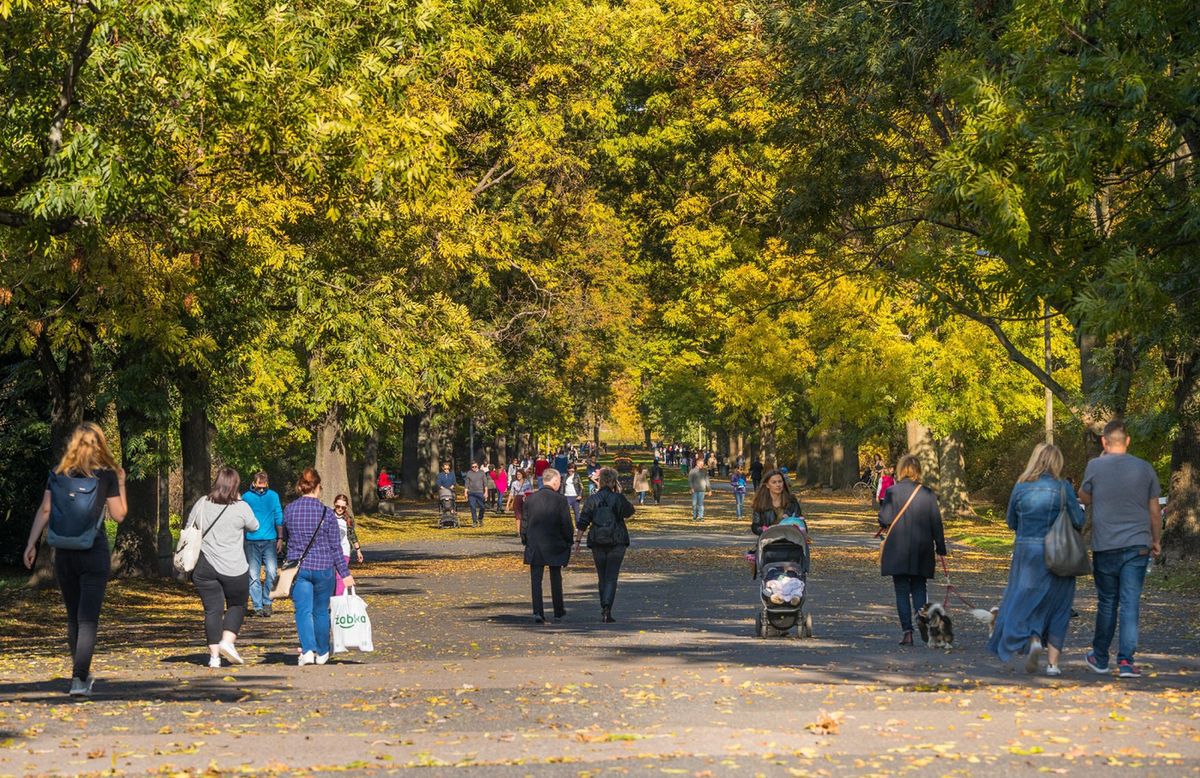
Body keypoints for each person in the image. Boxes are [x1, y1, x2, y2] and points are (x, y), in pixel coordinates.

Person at [23, 422, 128, 697]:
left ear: (73, 444)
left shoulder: (58, 474)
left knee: (73, 617)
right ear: (100, 445)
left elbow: (45, 510)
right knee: (88, 619)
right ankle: (80, 679)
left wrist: (31, 544)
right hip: (94, 551)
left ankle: (80, 674)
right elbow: (119, 515)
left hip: (64, 554)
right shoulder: (106, 476)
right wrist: (122, 483)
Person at [987, 444, 1085, 675]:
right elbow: (1078, 520)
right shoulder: (1063, 487)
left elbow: (1011, 521)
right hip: (1058, 552)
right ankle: (1053, 665)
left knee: (1027, 600)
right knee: (1059, 606)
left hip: (1025, 553)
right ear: (1057, 463)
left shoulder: (1020, 487)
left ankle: (1033, 640)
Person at [1079, 420, 1162, 678]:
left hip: (1105, 544)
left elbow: (1083, 497)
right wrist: (1156, 540)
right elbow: (1154, 511)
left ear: (1104, 441)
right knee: (1130, 604)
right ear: (1127, 441)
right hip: (1138, 544)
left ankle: (1100, 657)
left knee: (1107, 602)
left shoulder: (1095, 466)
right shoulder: (1145, 468)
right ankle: (1126, 661)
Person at [189, 467, 259, 668]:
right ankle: (227, 642)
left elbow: (190, 525)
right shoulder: (241, 507)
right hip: (234, 567)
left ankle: (214, 658)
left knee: (213, 610)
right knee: (237, 605)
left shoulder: (202, 503)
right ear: (236, 486)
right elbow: (254, 526)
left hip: (205, 567)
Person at [283, 468, 353, 666]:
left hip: (299, 568)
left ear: (300, 487)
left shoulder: (289, 510)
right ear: (318, 487)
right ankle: (322, 652)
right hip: (323, 567)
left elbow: (286, 538)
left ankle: (307, 650)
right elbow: (335, 547)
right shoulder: (327, 513)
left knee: (302, 611)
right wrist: (345, 573)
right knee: (321, 611)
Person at [879, 455, 947, 645]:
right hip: (921, 548)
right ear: (918, 470)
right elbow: (936, 523)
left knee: (901, 591)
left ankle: (907, 632)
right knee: (919, 588)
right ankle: (921, 620)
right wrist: (940, 547)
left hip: (897, 549)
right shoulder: (928, 493)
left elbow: (884, 519)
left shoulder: (892, 492)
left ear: (901, 469)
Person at [575, 468, 635, 622]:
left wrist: (577, 541)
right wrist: (620, 493)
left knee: (602, 575)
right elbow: (629, 511)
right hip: (617, 540)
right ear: (614, 482)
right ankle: (607, 608)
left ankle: (604, 605)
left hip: (597, 540)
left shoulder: (592, 499)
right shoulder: (618, 498)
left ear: (600, 481)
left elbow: (583, 521)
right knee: (611, 576)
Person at [521, 468, 573, 624]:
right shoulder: (560, 500)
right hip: (554, 543)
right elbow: (566, 524)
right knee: (555, 577)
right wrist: (568, 540)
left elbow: (524, 523)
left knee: (536, 580)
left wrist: (526, 540)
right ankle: (558, 610)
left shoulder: (530, 499)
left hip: (535, 543)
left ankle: (538, 611)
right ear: (555, 481)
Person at [242, 472, 284, 618]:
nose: (261, 488)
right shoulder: (246, 497)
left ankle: (267, 601)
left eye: (263, 485)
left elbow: (279, 515)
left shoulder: (273, 496)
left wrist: (280, 537)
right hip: (251, 541)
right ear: (254, 483)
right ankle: (257, 605)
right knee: (253, 574)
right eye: (259, 485)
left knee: (272, 572)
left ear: (267, 484)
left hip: (270, 540)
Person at [750, 469, 802, 535]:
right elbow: (755, 526)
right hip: (769, 539)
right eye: (774, 482)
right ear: (767, 485)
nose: (778, 485)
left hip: (790, 539)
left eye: (780, 481)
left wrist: (795, 524)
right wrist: (765, 530)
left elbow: (801, 521)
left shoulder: (791, 501)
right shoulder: (760, 502)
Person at [332, 494, 363, 597]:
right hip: (330, 551)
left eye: (343, 507)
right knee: (330, 576)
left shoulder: (348, 519)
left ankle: (338, 598)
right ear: (334, 504)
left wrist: (358, 550)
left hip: (344, 551)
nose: (340, 509)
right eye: (338, 506)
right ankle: (330, 597)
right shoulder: (329, 517)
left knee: (340, 576)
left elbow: (352, 535)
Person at [464, 462, 490, 528]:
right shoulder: (469, 473)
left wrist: (486, 492)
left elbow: (485, 483)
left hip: (480, 492)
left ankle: (480, 518)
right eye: (472, 467)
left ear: (478, 466)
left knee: (482, 507)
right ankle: (474, 521)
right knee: (472, 507)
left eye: (475, 466)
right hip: (471, 493)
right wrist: (465, 492)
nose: (474, 468)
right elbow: (466, 483)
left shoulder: (481, 473)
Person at [507, 469, 530, 535]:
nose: (518, 476)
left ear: (522, 475)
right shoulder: (514, 483)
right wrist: (508, 504)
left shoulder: (527, 482)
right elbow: (511, 494)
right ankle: (518, 532)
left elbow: (530, 492)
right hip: (517, 499)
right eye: (517, 474)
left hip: (525, 500)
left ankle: (524, 530)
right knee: (518, 516)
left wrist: (527, 498)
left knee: (524, 515)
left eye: (519, 474)